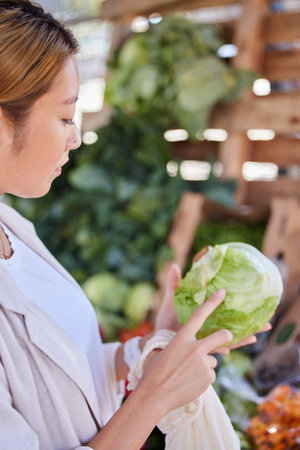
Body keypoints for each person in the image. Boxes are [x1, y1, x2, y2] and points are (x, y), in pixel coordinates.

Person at [0, 1, 271, 449]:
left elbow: (64, 380)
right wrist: (152, 399)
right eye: (66, 116)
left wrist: (150, 348)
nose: (75, 136)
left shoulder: (12, 226)